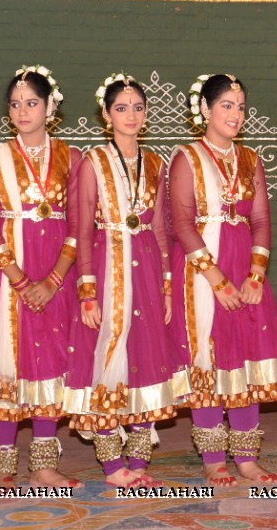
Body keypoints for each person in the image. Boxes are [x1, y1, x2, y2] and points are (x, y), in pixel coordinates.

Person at [65, 73, 191, 488]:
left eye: (138, 107)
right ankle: (111, 464)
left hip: (148, 266)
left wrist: (167, 285)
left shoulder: (155, 163)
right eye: (121, 108)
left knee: (147, 357)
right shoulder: (93, 162)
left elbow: (161, 228)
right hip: (106, 266)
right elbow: (82, 227)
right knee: (105, 357)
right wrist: (86, 291)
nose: (131, 115)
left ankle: (139, 463)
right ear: (106, 114)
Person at [0, 65, 82, 489]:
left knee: (51, 358)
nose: (22, 111)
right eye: (15, 104)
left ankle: (45, 464)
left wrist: (53, 279)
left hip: (56, 273)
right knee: (7, 359)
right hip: (7, 273)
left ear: (50, 108)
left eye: (32, 102)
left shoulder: (72, 156)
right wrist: (19, 278)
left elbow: (78, 225)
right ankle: (2, 464)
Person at [168, 73, 277, 487]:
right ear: (204, 109)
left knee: (247, 358)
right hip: (204, 272)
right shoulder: (186, 157)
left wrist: (256, 275)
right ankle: (213, 458)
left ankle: (247, 457)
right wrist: (218, 281)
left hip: (245, 269)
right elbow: (183, 224)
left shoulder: (250, 159)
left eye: (240, 106)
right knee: (210, 357)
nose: (235, 114)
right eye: (226, 105)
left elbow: (260, 220)